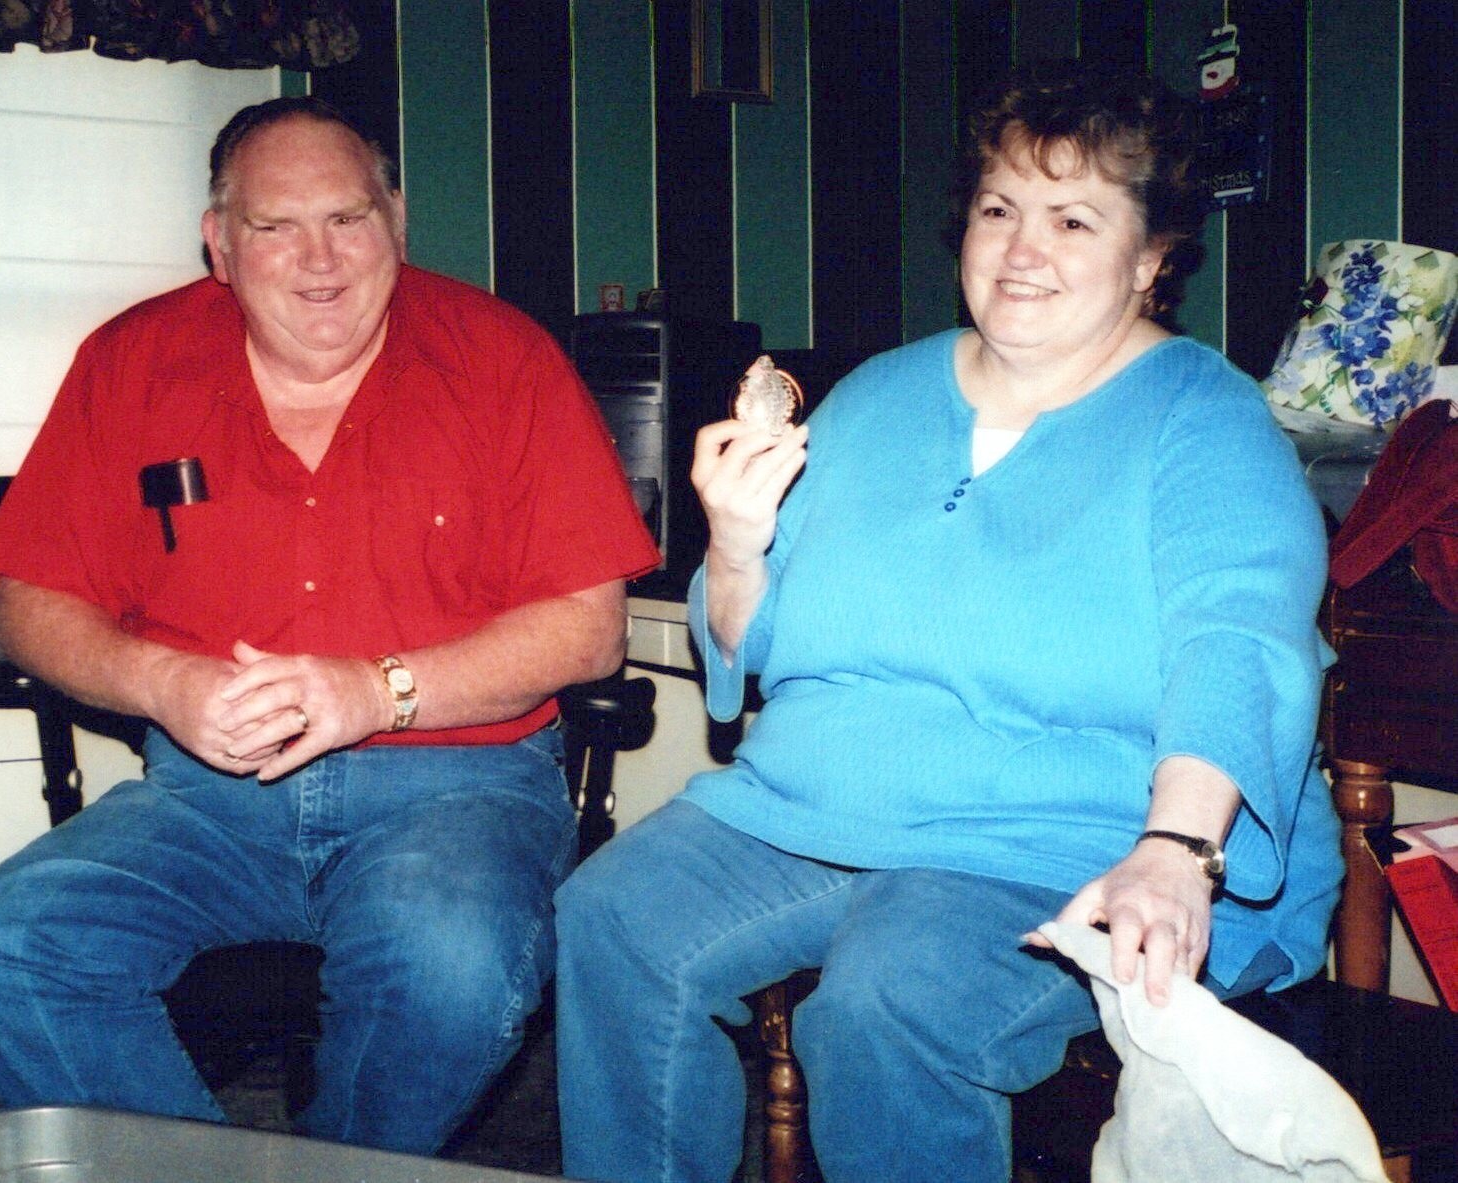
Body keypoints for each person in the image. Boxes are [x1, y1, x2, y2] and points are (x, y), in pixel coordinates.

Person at [554, 60, 1342, 1183]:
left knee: (885, 1002)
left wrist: (1176, 850)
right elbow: (749, 647)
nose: (1022, 249)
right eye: (997, 209)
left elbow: (1240, 639)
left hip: (1064, 832)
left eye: (1073, 220)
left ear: (1151, 259)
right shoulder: (875, 396)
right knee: (613, 915)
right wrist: (732, 541)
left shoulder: (1204, 418)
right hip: (820, 798)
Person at [0, 96, 659, 1154]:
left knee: (452, 966)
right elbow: (29, 601)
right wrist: (159, 681)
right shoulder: (133, 361)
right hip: (204, 800)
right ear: (220, 243)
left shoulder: (505, 360)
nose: (319, 260)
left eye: (347, 218)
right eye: (275, 226)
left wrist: (374, 690)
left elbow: (588, 630)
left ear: (395, 220)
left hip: (456, 788)